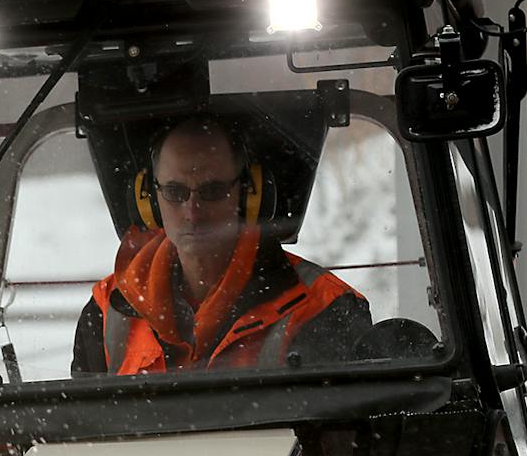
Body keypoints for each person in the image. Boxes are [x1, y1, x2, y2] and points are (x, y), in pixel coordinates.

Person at [72, 115, 370, 376]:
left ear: (247, 195)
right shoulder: (107, 311)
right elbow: (80, 433)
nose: (192, 212)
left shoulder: (323, 306)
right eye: (175, 192)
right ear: (149, 200)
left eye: (212, 191)